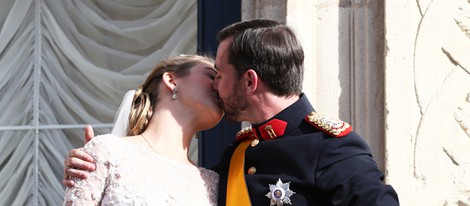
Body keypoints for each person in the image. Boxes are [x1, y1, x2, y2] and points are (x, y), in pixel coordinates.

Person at [64, 19, 400, 205]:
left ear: (249, 82)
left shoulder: (329, 146)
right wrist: (93, 167)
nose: (215, 84)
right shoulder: (231, 161)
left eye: (219, 75)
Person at [62, 55, 223, 205]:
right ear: (171, 80)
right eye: (211, 76)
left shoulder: (214, 184)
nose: (219, 85)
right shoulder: (108, 153)